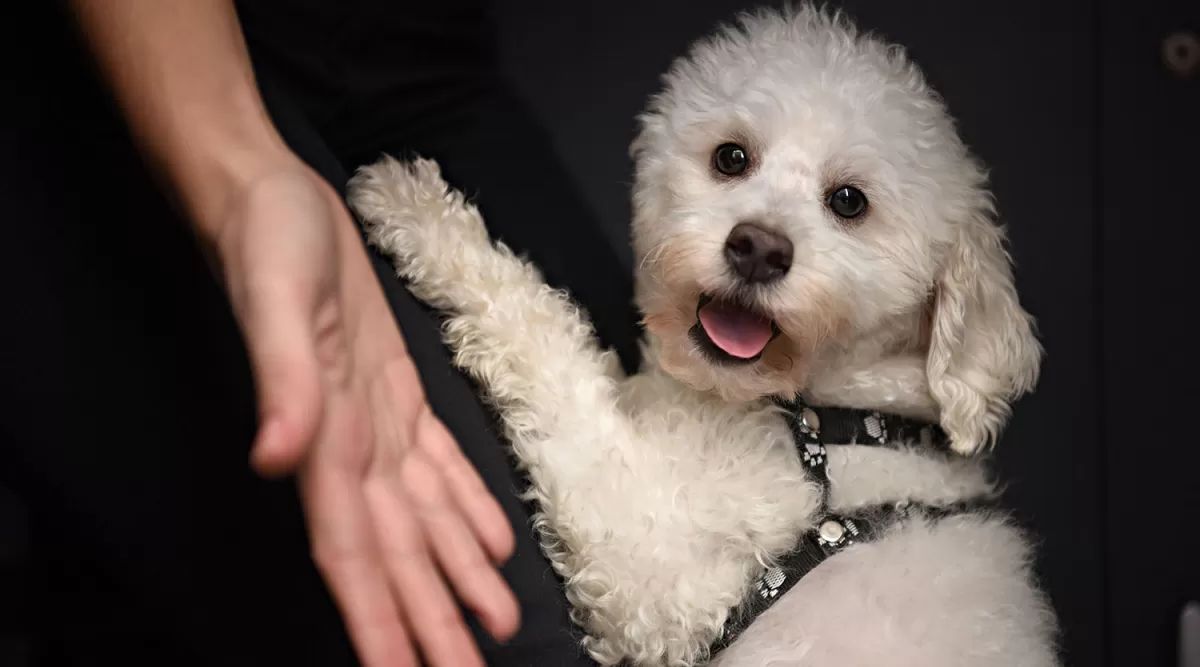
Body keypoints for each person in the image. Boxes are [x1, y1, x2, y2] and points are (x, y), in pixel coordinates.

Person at [4, 1, 641, 665]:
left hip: (419, 59)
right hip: (125, 61)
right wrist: (242, 169)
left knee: (696, 569)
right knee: (517, 636)